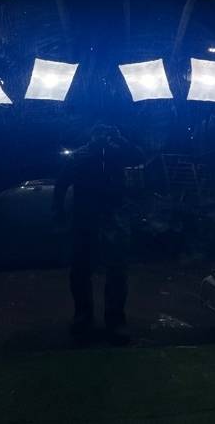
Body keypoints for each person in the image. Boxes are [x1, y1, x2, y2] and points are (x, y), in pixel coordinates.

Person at [53, 124, 143, 346]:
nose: (104, 137)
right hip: (85, 218)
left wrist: (121, 139)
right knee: (81, 269)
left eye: (107, 133)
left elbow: (139, 157)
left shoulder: (118, 151)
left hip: (114, 217)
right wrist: (59, 211)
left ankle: (115, 319)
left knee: (117, 270)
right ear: (91, 136)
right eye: (100, 133)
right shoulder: (80, 155)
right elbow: (61, 183)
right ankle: (83, 315)